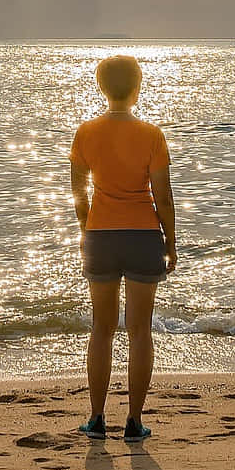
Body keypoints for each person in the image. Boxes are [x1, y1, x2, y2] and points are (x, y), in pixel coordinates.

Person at [69, 54, 177, 442]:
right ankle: (134, 421)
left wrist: (88, 231)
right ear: (137, 87)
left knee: (101, 328)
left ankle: (97, 419)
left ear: (101, 87)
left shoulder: (85, 132)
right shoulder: (152, 135)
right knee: (139, 330)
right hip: (143, 235)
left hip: (101, 235)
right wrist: (171, 241)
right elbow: (162, 197)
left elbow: (79, 193)